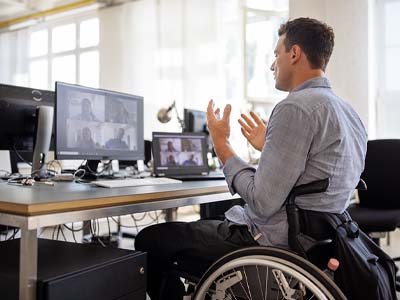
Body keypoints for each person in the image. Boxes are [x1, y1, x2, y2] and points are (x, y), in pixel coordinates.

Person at [135, 17, 368, 300]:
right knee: (211, 217)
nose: (272, 65)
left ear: (293, 54)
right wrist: (268, 149)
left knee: (151, 240)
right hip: (318, 241)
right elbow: (315, 178)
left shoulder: (295, 107)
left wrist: (222, 144)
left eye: (275, 55)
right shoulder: (348, 112)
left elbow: (262, 201)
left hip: (272, 243)